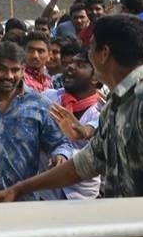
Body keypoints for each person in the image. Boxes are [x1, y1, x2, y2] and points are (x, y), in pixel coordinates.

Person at [0, 14, 143, 202]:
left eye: (90, 46)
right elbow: (85, 163)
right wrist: (18, 190)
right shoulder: (116, 104)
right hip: (127, 228)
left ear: (104, 53)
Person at [0, 41, 71, 199]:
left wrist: (60, 155)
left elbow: (60, 142)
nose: (9, 76)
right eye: (2, 69)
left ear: (23, 70)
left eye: (15, 70)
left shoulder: (39, 105)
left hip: (23, 201)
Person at [42, 51, 102, 199]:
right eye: (71, 63)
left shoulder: (102, 112)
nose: (70, 67)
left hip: (82, 197)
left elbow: (97, 157)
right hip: (45, 194)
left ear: (95, 77)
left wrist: (64, 154)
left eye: (80, 65)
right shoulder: (49, 98)